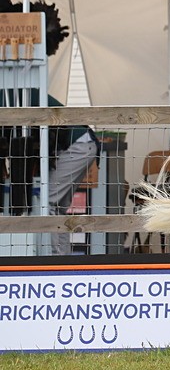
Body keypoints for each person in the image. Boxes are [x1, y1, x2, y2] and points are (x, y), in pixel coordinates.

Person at [45, 96, 99, 254]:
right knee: (57, 207)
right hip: (82, 143)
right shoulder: (21, 86)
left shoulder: (11, 93)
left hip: (77, 145)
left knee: (47, 203)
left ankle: (53, 260)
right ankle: (63, 261)